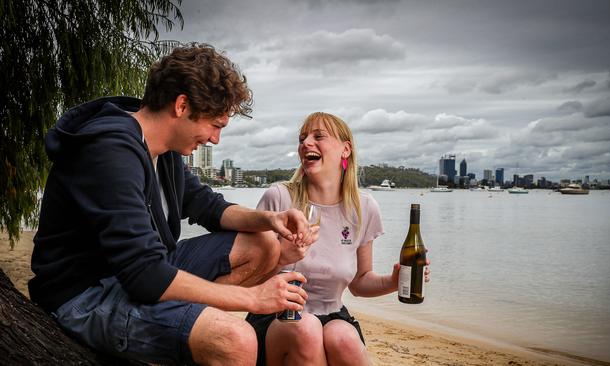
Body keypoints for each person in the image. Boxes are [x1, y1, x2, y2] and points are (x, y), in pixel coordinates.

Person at [28, 43, 317, 365]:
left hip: (139, 275)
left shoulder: (163, 151)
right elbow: (144, 273)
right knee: (236, 340)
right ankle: (194, 335)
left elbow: (207, 206)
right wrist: (251, 297)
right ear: (182, 105)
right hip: (86, 293)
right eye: (215, 125)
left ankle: (184, 331)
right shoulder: (110, 150)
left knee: (264, 244)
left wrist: (270, 219)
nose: (214, 140)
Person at [246, 112, 430, 365]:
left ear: (346, 150)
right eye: (302, 138)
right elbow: (249, 277)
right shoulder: (278, 198)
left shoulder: (364, 207)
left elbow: (359, 282)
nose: (306, 143)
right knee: (307, 328)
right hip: (277, 317)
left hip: (333, 314)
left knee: (343, 337)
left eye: (318, 136)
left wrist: (394, 281)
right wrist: (281, 257)